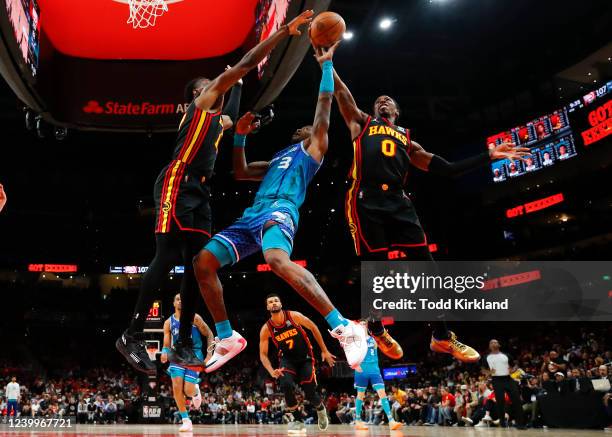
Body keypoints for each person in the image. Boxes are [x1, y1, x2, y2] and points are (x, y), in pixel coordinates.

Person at [116, 9, 315, 374]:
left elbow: (233, 113)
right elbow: (244, 65)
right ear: (200, 91)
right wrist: (283, 32)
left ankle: (185, 343)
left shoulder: (218, 120)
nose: (222, 86)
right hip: (179, 179)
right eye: (218, 83)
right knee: (166, 252)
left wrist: (240, 99)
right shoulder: (202, 101)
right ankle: (131, 333)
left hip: (201, 192)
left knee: (198, 262)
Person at [332, 66, 528, 364]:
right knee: (378, 271)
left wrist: (487, 156)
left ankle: (441, 336)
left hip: (398, 202)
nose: (383, 101)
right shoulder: (362, 123)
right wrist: (327, 63)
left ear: (397, 111)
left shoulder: (407, 140)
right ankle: (376, 326)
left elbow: (446, 169)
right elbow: (342, 94)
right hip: (365, 199)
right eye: (378, 100)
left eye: (388, 100)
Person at [193, 43, 368, 372]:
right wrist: (240, 137)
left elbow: (324, 105)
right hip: (251, 217)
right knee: (202, 263)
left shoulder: (314, 148)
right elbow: (241, 171)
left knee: (275, 260)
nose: (305, 128)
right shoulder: (276, 159)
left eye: (309, 127)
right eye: (301, 128)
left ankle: (344, 326)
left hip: (281, 211)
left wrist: (327, 66)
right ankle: (227, 336)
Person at [259, 293, 333, 434]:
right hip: (287, 360)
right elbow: (263, 354)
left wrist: (324, 350)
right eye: (270, 302)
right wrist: (270, 370)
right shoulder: (266, 329)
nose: (274, 303)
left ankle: (320, 409)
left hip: (305, 358)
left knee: (310, 392)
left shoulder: (294, 316)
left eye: (276, 300)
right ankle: (298, 420)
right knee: (286, 385)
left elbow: (313, 327)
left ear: (280, 304)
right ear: (267, 307)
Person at [161, 293, 214, 432]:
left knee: (188, 391)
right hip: (177, 355)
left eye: (183, 299)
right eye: (177, 299)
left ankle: (195, 391)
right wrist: (165, 351)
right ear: (173, 303)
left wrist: (209, 355)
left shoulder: (195, 318)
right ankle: (186, 420)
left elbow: (209, 334)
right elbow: (166, 342)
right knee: (176, 387)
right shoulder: (168, 322)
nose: (180, 301)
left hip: (194, 354)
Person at [353, 321, 402, 431]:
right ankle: (357, 420)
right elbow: (351, 354)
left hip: (374, 369)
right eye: (360, 324)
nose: (363, 324)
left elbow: (385, 345)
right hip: (361, 369)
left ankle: (391, 421)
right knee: (360, 395)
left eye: (364, 323)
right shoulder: (356, 340)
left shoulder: (373, 339)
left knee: (382, 394)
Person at [484, 339, 526, 429]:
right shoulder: (486, 357)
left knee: (516, 400)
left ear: (499, 345)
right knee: (500, 402)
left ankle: (520, 424)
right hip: (496, 380)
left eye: (495, 342)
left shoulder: (506, 355)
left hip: (508, 379)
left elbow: (515, 364)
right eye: (491, 342)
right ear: (489, 346)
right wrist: (488, 372)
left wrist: (513, 370)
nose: (493, 343)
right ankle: (502, 422)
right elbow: (482, 369)